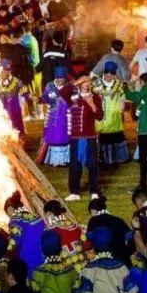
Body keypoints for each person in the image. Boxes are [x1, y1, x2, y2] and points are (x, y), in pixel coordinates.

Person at [61, 73, 104, 201]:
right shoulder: (73, 97)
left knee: (92, 164)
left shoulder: (95, 97)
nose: (87, 85)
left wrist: (91, 104)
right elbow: (62, 92)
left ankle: (94, 191)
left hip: (90, 136)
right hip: (75, 137)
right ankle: (74, 191)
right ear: (79, 84)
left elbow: (100, 116)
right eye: (84, 82)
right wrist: (74, 82)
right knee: (75, 165)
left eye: (89, 82)